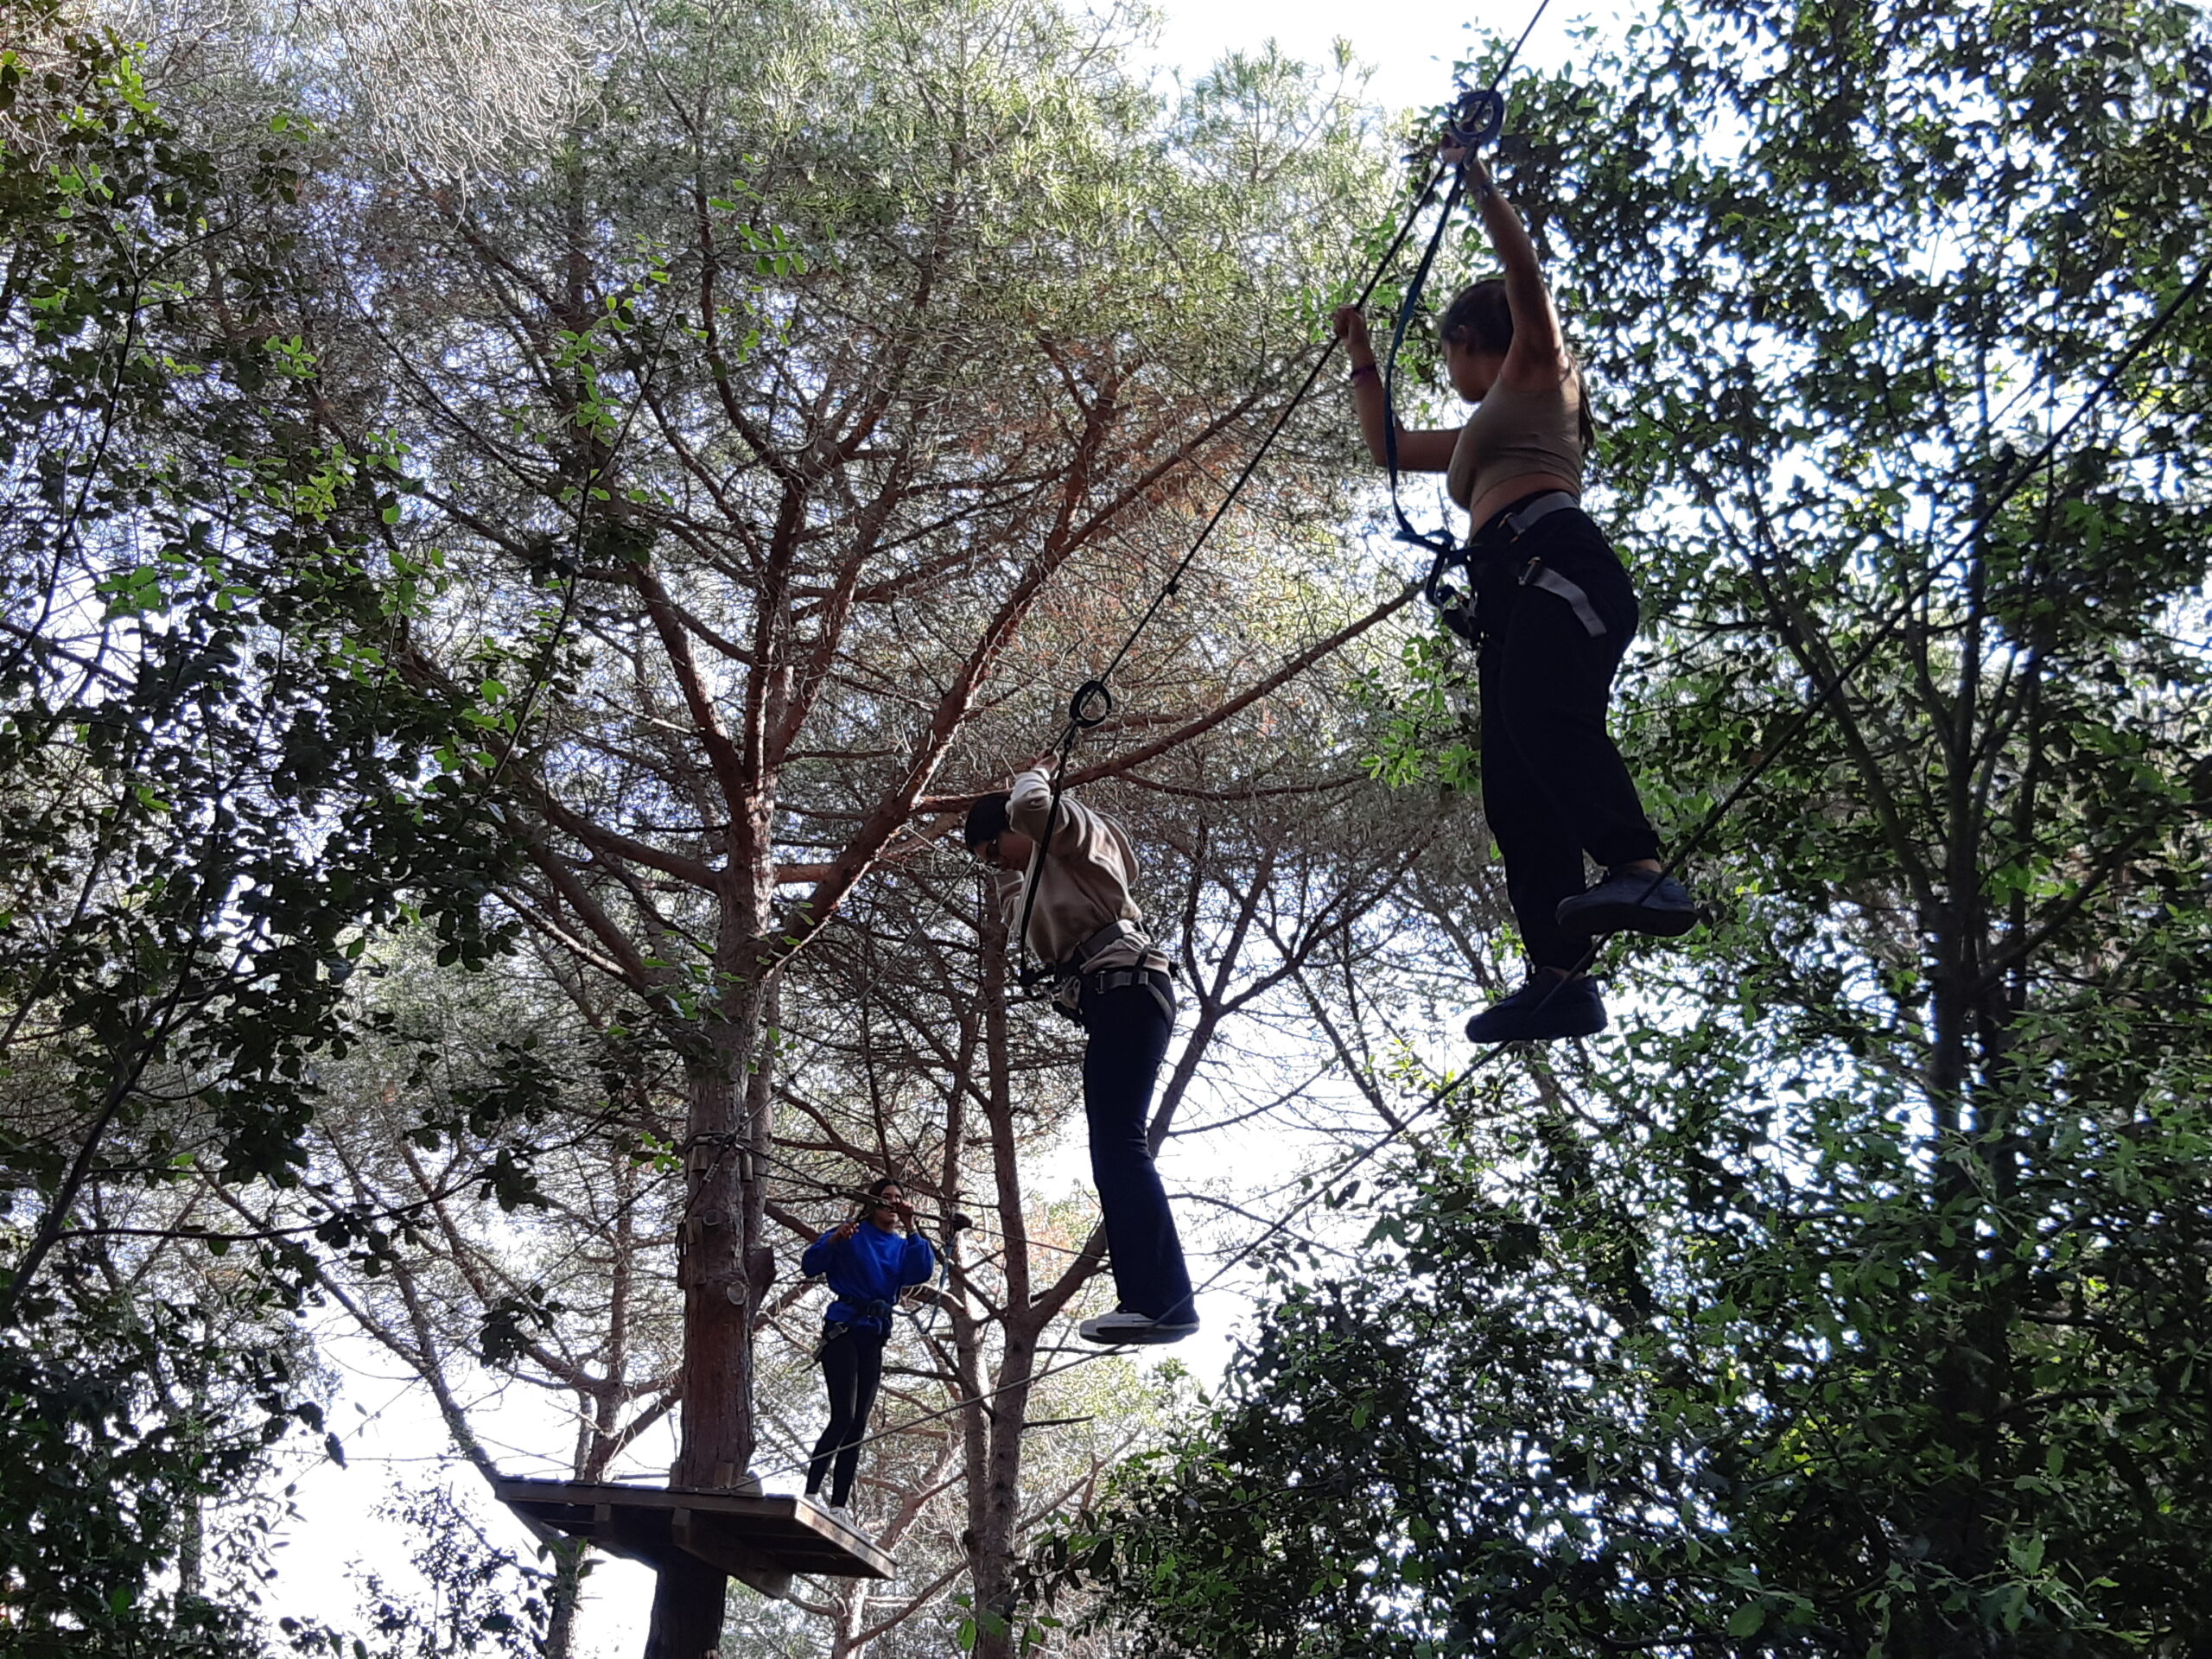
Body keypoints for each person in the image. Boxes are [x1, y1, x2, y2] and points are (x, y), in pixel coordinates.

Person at [1332, 143, 1698, 1043]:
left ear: (1467, 343)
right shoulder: (1482, 429)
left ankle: (1638, 867)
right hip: (1510, 595)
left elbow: (1524, 275)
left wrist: (1481, 186)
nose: (1448, 369)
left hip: (1557, 565)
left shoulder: (1540, 376)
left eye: (1448, 353)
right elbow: (1386, 447)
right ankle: (1559, 977)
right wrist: (1360, 355)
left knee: (1545, 723)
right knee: (1514, 791)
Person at [964, 766, 1198, 1344]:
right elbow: (1022, 916)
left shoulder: (1075, 841)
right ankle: (1155, 1299)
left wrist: (1034, 773)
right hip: (1114, 1000)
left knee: (1118, 1148)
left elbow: (1038, 806)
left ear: (1016, 826)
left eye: (995, 850)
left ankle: (1160, 1302)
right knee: (1113, 1149)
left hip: (1128, 990)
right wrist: (1003, 862)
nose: (999, 864)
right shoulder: (1039, 876)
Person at [799, 1178, 934, 1521]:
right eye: (886, 1198)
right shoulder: (851, 1233)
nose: (892, 1203)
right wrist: (833, 1240)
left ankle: (839, 1505)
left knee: (858, 1422)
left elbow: (922, 1271)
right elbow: (811, 1264)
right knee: (843, 1415)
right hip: (843, 1327)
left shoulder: (903, 1245)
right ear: (873, 1203)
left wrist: (911, 1225)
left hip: (874, 1333)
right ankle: (812, 1492)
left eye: (898, 1198)